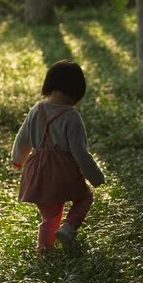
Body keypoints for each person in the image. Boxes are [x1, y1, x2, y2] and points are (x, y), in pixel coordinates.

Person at [11, 60, 105, 253]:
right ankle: (69, 227)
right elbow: (80, 152)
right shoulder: (71, 117)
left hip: (38, 171)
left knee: (50, 214)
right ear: (77, 91)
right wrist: (95, 176)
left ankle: (45, 250)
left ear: (49, 85)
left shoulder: (36, 110)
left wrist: (17, 159)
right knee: (85, 196)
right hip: (63, 171)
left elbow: (22, 140)